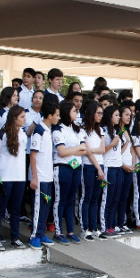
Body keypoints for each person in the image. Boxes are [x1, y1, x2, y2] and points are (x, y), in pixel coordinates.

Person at [0, 106, 29, 249]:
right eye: (22, 117)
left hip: (19, 177)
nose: (24, 120)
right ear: (14, 118)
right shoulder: (1, 134)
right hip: (4, 177)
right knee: (0, 208)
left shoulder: (23, 135)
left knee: (15, 210)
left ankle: (15, 237)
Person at [52, 101, 86, 244]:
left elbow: (84, 148)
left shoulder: (76, 129)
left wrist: (72, 150)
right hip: (62, 167)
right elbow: (62, 152)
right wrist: (76, 149)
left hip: (76, 167)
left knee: (71, 200)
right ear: (67, 113)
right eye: (73, 111)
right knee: (61, 199)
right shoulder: (58, 130)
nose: (76, 113)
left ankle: (70, 231)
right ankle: (58, 232)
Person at [28, 102, 59, 249]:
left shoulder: (48, 130)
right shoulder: (39, 130)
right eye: (57, 115)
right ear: (49, 116)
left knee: (46, 207)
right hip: (39, 177)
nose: (58, 118)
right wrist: (34, 177)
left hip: (48, 176)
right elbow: (33, 155)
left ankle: (40, 233)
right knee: (38, 207)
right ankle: (34, 236)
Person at [79, 102, 107, 240]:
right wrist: (98, 168)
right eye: (99, 113)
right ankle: (85, 228)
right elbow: (86, 152)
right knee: (87, 197)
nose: (101, 116)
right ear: (91, 113)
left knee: (96, 198)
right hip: (89, 166)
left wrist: (92, 150)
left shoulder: (100, 130)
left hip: (100, 166)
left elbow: (102, 150)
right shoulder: (82, 129)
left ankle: (94, 227)